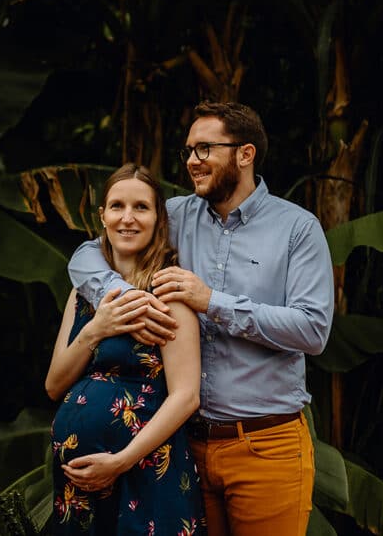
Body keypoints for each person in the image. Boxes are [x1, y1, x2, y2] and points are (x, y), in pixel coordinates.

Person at [69, 101, 334, 536]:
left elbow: (312, 329)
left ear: (245, 154)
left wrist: (212, 301)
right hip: (183, 448)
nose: (192, 161)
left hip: (266, 445)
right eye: (189, 150)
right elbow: (87, 254)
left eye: (205, 149)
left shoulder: (297, 229)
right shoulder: (175, 215)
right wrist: (123, 300)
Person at [47, 163, 205, 535]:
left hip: (144, 471)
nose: (128, 218)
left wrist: (119, 462)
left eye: (141, 207)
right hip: (79, 487)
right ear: (102, 216)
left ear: (158, 218)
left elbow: (187, 396)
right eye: (117, 206)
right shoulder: (84, 293)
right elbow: (54, 385)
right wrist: (96, 330)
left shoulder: (169, 294)